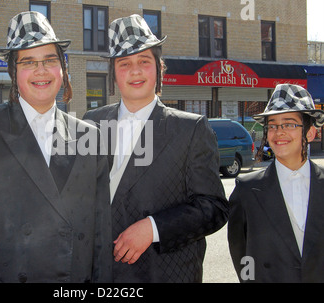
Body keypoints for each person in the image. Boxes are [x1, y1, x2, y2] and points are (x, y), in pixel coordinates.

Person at [0, 11, 112, 283]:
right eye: (28, 62)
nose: (41, 70)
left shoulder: (89, 137)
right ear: (13, 71)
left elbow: (101, 235)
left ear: (63, 67)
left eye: (49, 60)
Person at [83, 14, 229, 283]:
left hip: (162, 273)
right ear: (113, 74)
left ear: (159, 69)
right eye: (124, 63)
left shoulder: (191, 129)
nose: (135, 70)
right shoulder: (91, 123)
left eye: (144, 61)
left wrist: (153, 228)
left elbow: (214, 208)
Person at [228, 84, 324, 282]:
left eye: (289, 124)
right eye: (272, 125)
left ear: (310, 133)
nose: (279, 132)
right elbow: (241, 253)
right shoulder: (246, 190)